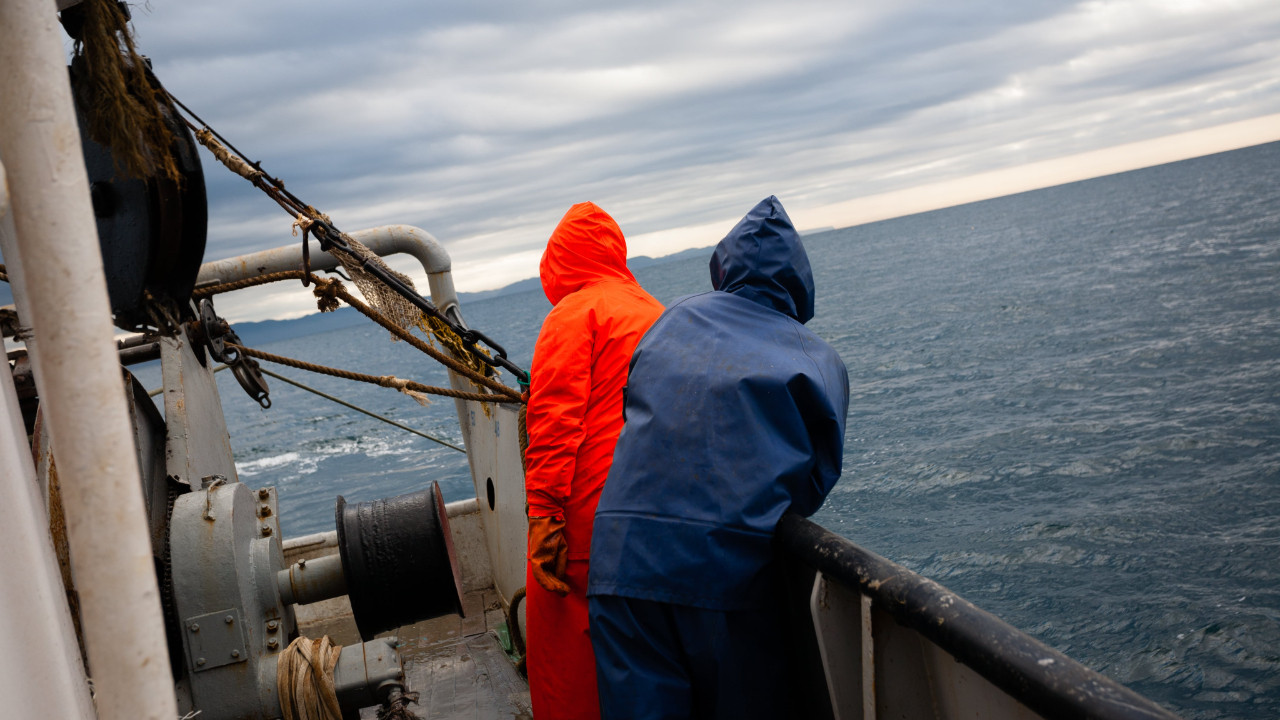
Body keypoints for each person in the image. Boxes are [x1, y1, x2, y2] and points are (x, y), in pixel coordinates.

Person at [587, 196, 850, 720]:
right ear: (799, 282)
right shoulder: (816, 359)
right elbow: (817, 477)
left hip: (620, 560)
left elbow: (633, 405)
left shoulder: (674, 317)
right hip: (722, 573)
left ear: (724, 266)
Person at [523, 201, 665, 720]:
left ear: (558, 261)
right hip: (660, 517)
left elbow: (554, 421)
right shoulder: (657, 312)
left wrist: (544, 515)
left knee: (569, 665)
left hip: (592, 525)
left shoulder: (573, 314)